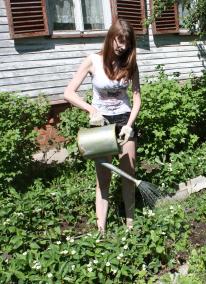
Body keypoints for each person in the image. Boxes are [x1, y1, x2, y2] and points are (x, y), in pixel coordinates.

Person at [64, 19, 141, 234]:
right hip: (101, 123)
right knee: (103, 180)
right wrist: (91, 110)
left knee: (128, 175)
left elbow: (136, 99)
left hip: (124, 121)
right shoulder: (93, 61)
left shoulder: (130, 63)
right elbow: (69, 93)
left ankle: (131, 226)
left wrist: (129, 125)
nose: (122, 47)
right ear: (110, 37)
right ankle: (101, 231)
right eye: (119, 40)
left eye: (127, 43)